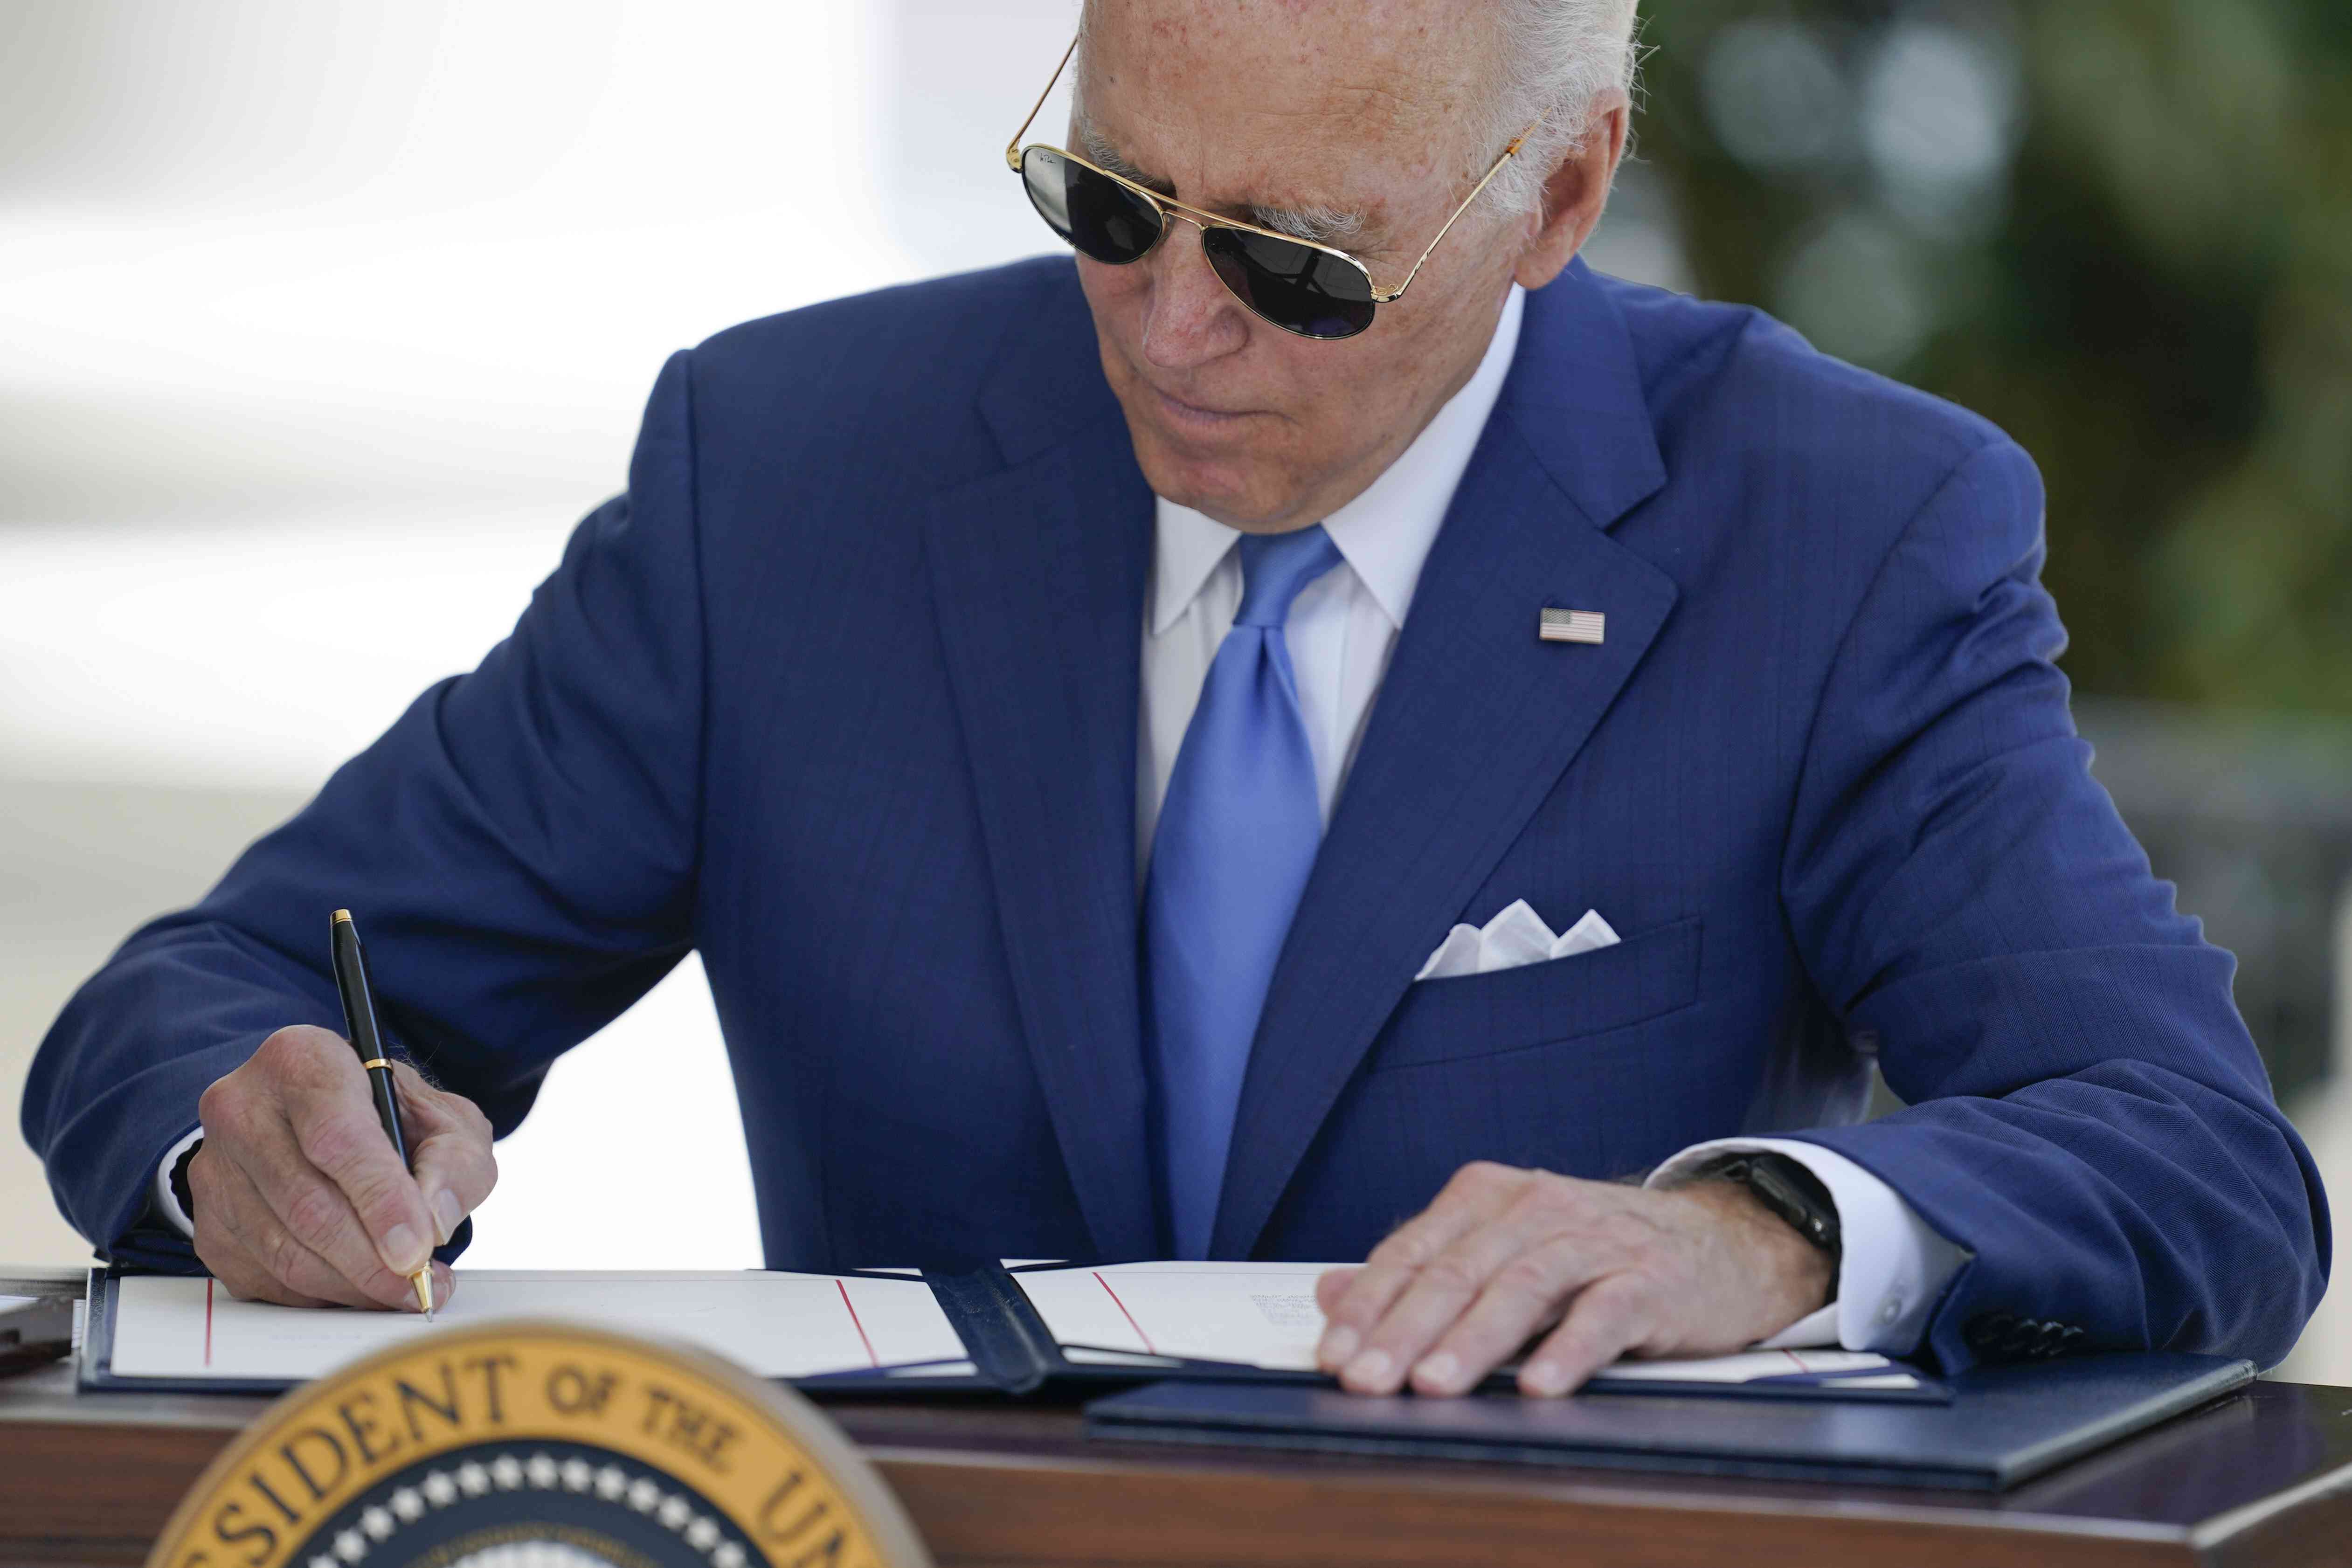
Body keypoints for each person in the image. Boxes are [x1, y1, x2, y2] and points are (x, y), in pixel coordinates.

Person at [24, 0, 2328, 1400]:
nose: (1168, 323)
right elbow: (205, 992)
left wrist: (1761, 1234)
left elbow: (2191, 1159)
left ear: (1558, 194)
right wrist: (261, 1144)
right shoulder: (791, 476)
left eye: (1292, 260)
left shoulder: (1833, 528)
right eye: (1107, 201)